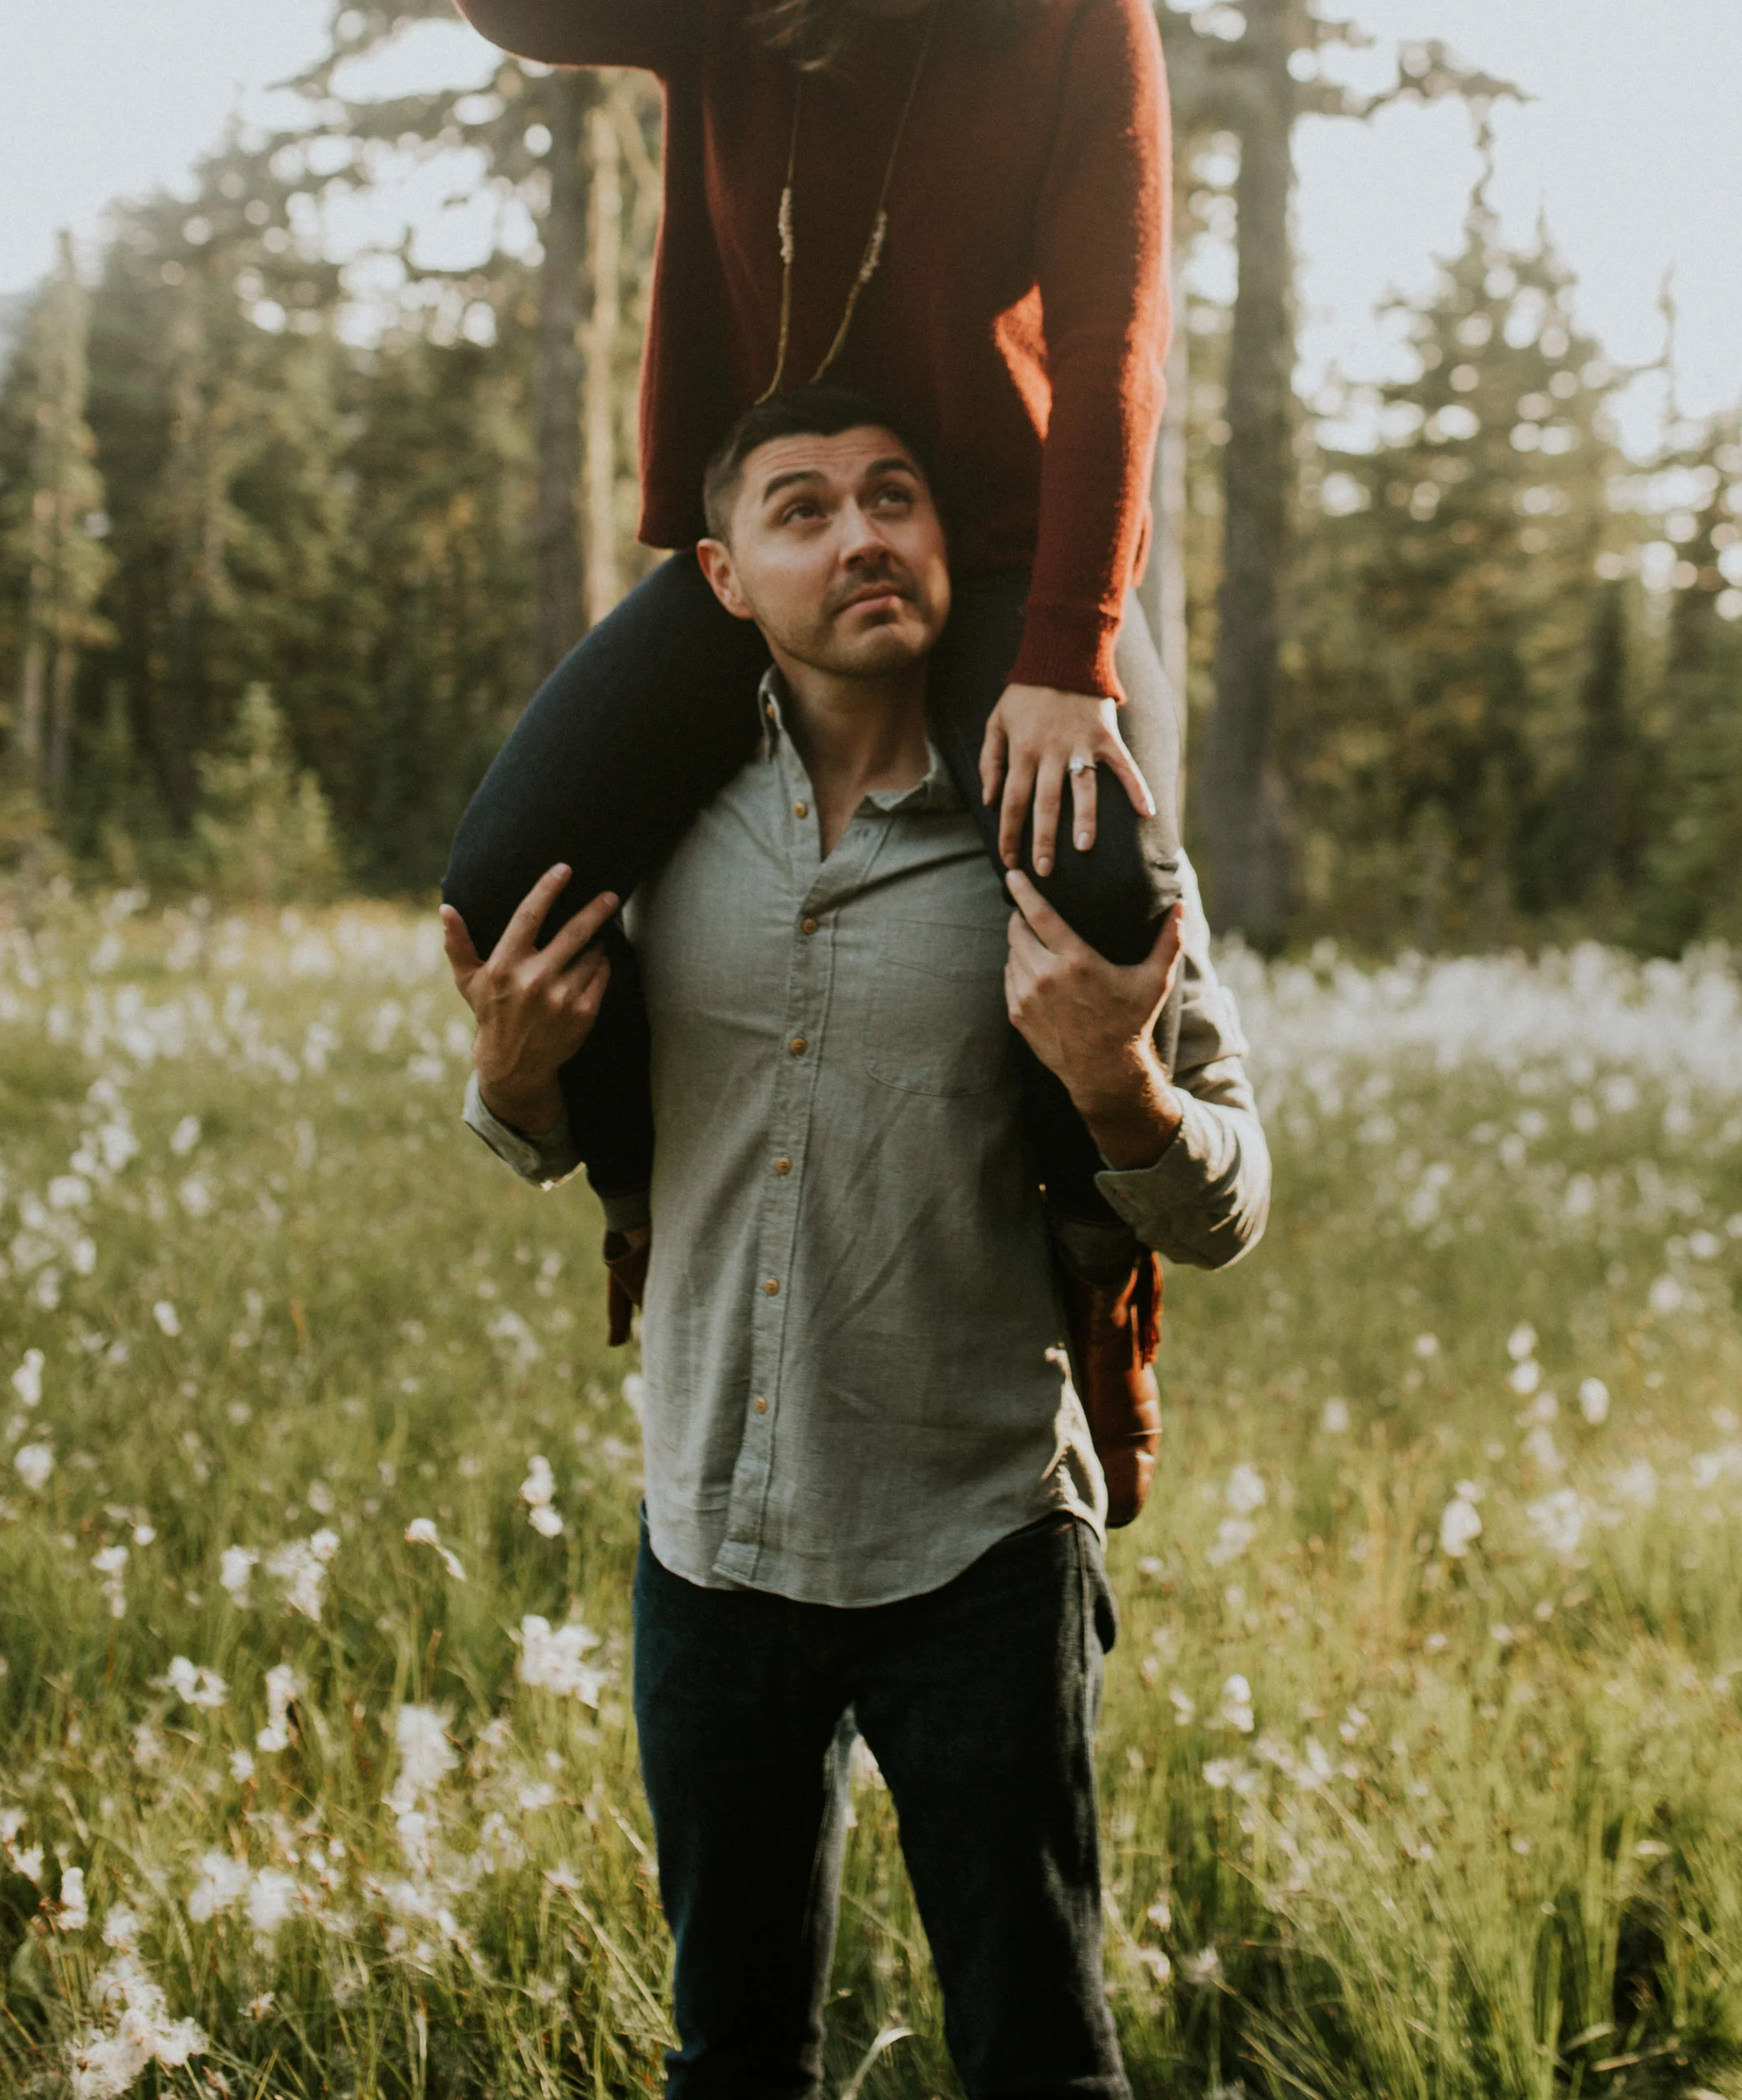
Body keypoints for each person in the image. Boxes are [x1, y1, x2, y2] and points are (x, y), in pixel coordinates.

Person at [441, 390, 1267, 2100]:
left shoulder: (1065, 838)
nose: (861, 533)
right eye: (801, 509)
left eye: (893, 495)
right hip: (710, 1541)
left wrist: (1115, 1081)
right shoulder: (652, 832)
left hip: (976, 1544)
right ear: (726, 577)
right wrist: (509, 1085)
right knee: (731, 2056)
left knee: (1039, 2054)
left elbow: (1229, 1203)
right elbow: (539, 1135)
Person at [440, 0, 1187, 1458]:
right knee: (500, 897)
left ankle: (1094, 1269)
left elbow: (1111, 351)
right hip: (761, 556)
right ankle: (641, 1201)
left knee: (1095, 903)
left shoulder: (1076, 11)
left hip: (1003, 555)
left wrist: (1062, 663)